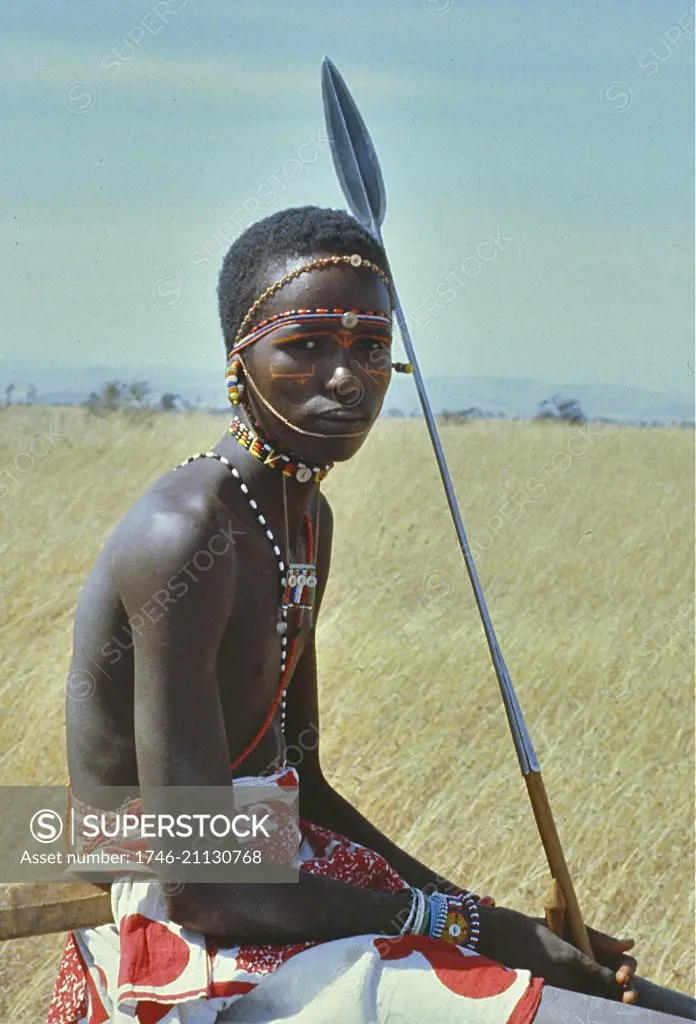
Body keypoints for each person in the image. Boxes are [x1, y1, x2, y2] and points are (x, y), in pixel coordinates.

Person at [47, 206, 693, 1023]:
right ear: (238, 362)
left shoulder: (304, 516)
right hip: (188, 917)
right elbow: (199, 881)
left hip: (284, 872)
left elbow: (303, 782)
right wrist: (465, 923)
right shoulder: (187, 532)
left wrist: (506, 927)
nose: (347, 378)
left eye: (371, 348)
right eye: (307, 345)